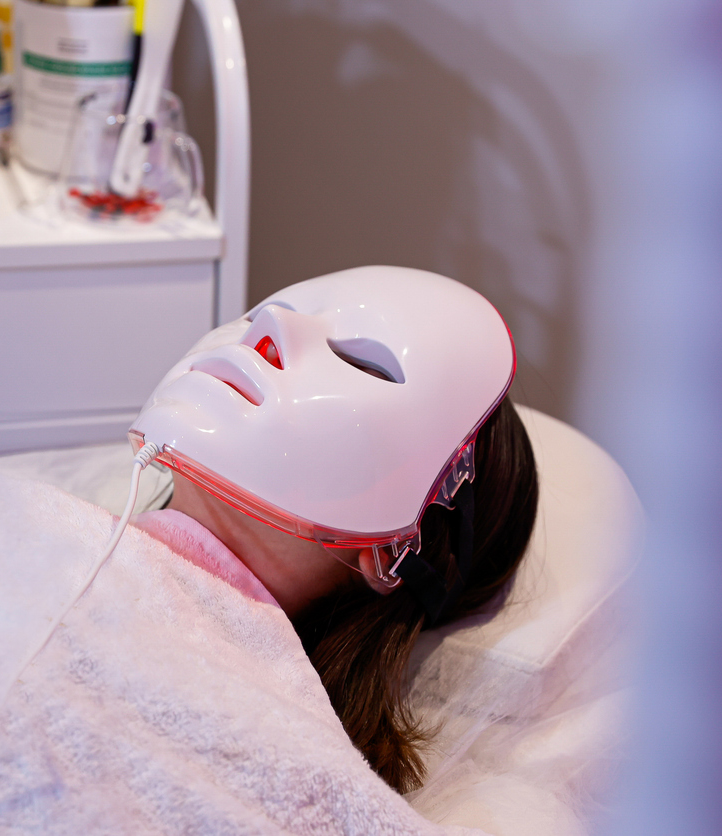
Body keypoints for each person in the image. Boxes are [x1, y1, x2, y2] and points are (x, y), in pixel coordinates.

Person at [131, 265, 541, 793]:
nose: (270, 325)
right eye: (255, 315)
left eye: (361, 363)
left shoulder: (276, 761)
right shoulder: (64, 533)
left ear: (391, 549)